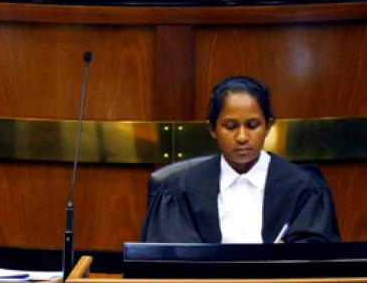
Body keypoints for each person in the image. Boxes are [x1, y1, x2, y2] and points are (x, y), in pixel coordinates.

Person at [140, 75, 339, 243]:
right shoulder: (180, 190)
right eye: (230, 126)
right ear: (212, 129)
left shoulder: (304, 188)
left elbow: (316, 261)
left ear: (269, 126)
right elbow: (168, 262)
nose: (242, 137)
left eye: (252, 125)